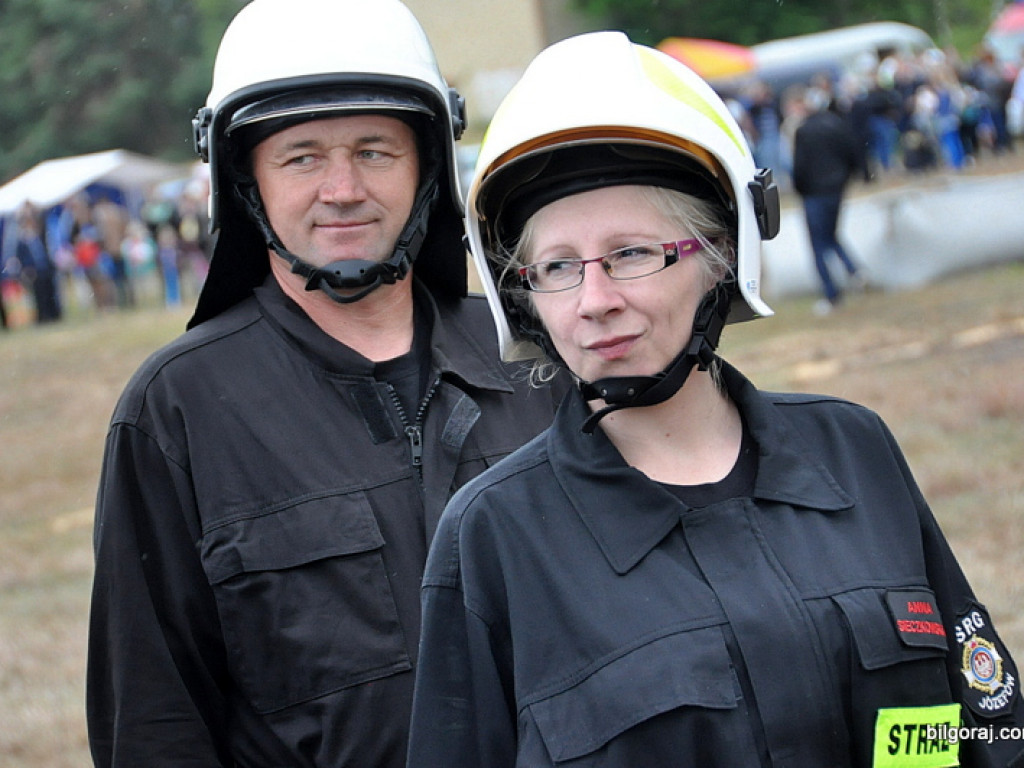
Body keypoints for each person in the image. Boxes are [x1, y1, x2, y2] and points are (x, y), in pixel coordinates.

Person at [407, 31, 1024, 767]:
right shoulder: (492, 537)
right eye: (557, 267)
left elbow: (988, 729)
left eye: (632, 254)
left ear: (723, 255)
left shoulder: (853, 450)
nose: (593, 301)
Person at [85, 1, 562, 766]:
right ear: (247, 183)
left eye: (375, 151)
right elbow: (153, 718)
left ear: (427, 167)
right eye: (302, 156)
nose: (342, 188)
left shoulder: (538, 356)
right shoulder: (178, 409)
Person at [792, 86, 867, 315]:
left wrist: (800, 188)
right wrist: (851, 176)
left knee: (817, 244)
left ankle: (831, 293)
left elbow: (800, 166)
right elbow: (854, 152)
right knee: (831, 235)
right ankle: (854, 271)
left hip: (815, 192)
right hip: (836, 189)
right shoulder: (837, 124)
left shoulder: (804, 131)